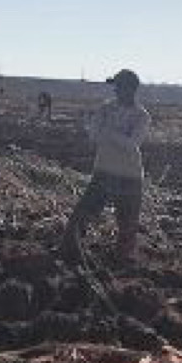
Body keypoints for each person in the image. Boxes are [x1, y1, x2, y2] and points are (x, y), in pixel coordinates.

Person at [61, 69, 152, 264]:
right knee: (80, 218)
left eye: (119, 87)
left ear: (131, 89)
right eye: (115, 87)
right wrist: (117, 135)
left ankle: (122, 270)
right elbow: (94, 135)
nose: (116, 91)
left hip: (130, 176)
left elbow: (132, 144)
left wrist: (108, 132)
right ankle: (69, 256)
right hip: (103, 171)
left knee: (127, 228)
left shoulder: (142, 116)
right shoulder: (105, 108)